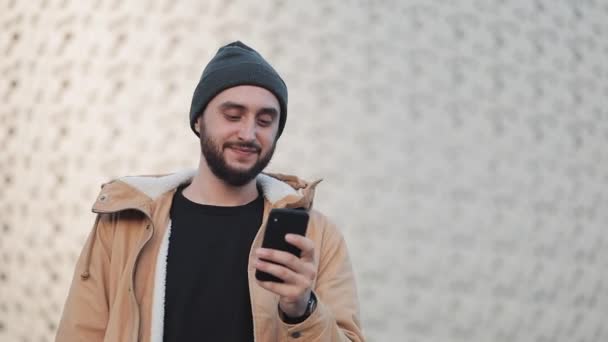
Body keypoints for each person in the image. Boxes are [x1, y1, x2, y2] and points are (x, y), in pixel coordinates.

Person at [56, 41, 363, 342]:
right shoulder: (125, 224)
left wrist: (302, 311)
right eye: (233, 116)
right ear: (198, 120)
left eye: (265, 121)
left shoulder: (318, 237)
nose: (248, 133)